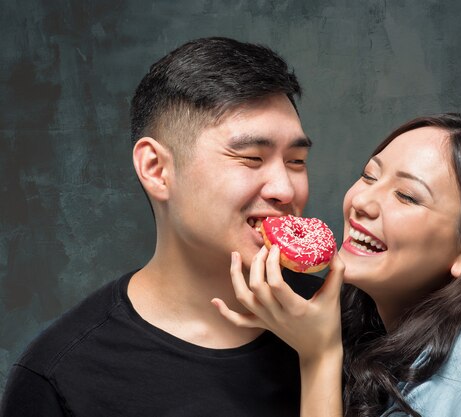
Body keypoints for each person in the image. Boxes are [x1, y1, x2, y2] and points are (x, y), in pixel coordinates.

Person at [1, 37, 322, 416]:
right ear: (156, 169)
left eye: (297, 161)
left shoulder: (346, 322)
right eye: (252, 158)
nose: (285, 189)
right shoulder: (59, 375)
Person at [213, 113, 461, 417]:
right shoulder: (376, 336)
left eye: (407, 196)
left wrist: (319, 355)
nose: (362, 201)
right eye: (369, 176)